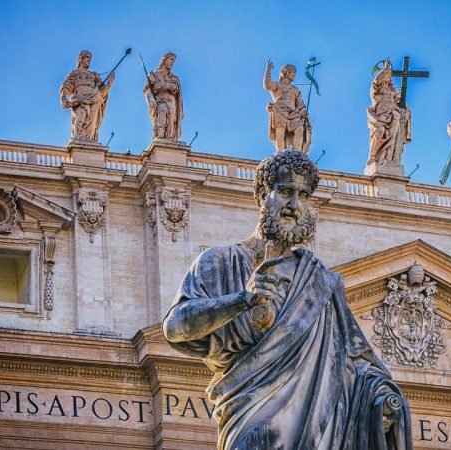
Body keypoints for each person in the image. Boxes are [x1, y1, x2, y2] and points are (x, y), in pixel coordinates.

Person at [163, 150, 412, 450]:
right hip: (248, 415)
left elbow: (355, 363)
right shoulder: (222, 261)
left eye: (304, 195)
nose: (294, 205)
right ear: (261, 195)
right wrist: (243, 300)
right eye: (285, 192)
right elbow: (174, 328)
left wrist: (380, 397)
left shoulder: (320, 282)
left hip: (317, 428)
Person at [60, 50, 115, 143]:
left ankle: (89, 143)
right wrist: (64, 97)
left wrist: (109, 84)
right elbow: (67, 86)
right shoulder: (75, 74)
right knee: (81, 115)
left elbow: (101, 92)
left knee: (92, 125)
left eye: (90, 58)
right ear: (81, 59)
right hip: (80, 101)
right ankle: (78, 140)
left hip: (94, 101)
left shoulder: (94, 75)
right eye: (87, 57)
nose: (89, 60)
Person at [367, 60, 410, 164]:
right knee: (380, 132)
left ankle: (388, 159)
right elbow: (377, 80)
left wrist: (406, 109)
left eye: (389, 74)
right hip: (380, 117)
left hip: (393, 116)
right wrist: (385, 68)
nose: (388, 75)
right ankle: (373, 157)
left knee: (392, 137)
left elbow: (400, 101)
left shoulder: (392, 90)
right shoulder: (376, 88)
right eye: (386, 73)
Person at [264, 61, 311, 152]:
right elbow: (267, 85)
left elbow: (300, 104)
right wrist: (268, 70)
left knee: (300, 129)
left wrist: (303, 112)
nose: (294, 75)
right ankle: (280, 154)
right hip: (279, 110)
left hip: (293, 113)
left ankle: (297, 153)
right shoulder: (278, 85)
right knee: (280, 133)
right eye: (293, 72)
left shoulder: (295, 90)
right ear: (286, 72)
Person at [145, 51, 183, 141]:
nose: (172, 62)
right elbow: (148, 91)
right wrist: (151, 82)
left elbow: (175, 88)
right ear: (164, 60)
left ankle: (169, 143)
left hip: (172, 103)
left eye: (174, 61)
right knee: (162, 116)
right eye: (171, 59)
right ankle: (160, 139)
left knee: (171, 124)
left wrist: (160, 84)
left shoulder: (174, 77)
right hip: (160, 101)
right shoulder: (154, 75)